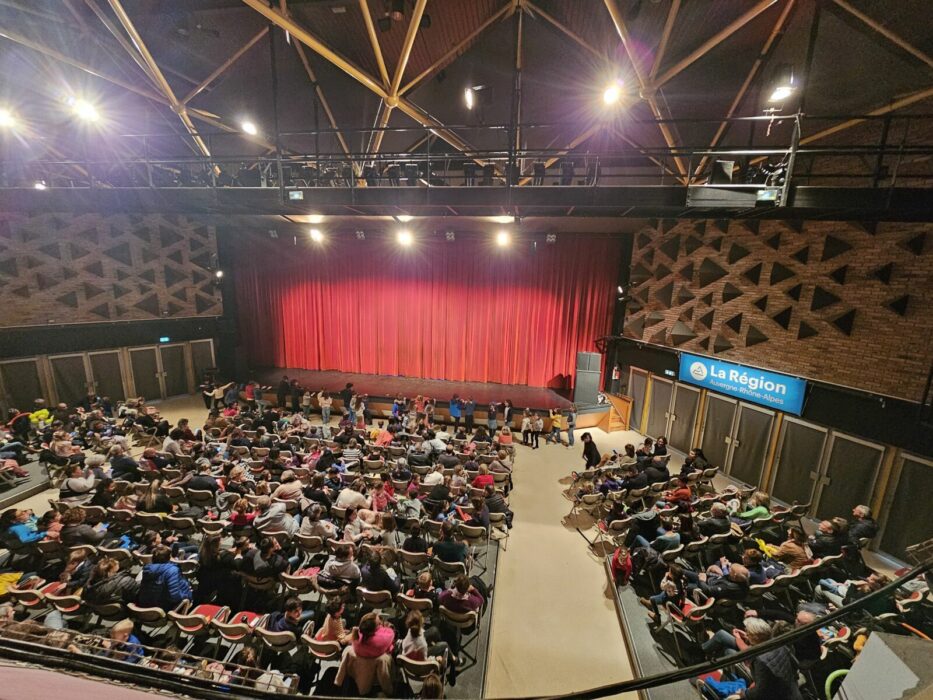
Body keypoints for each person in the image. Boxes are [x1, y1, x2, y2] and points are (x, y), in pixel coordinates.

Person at [138, 545, 193, 610]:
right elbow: (175, 597)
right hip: (164, 607)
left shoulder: (147, 569)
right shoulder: (172, 570)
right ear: (168, 557)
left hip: (146, 604)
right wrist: (187, 594)